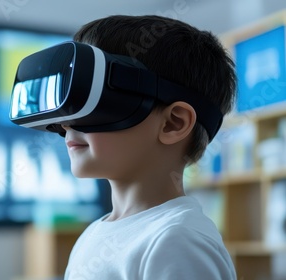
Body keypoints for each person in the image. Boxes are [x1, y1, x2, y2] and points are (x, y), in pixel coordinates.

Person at [60, 15, 237, 279]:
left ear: (173, 124)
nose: (67, 123)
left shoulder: (177, 241)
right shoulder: (94, 233)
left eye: (96, 98)